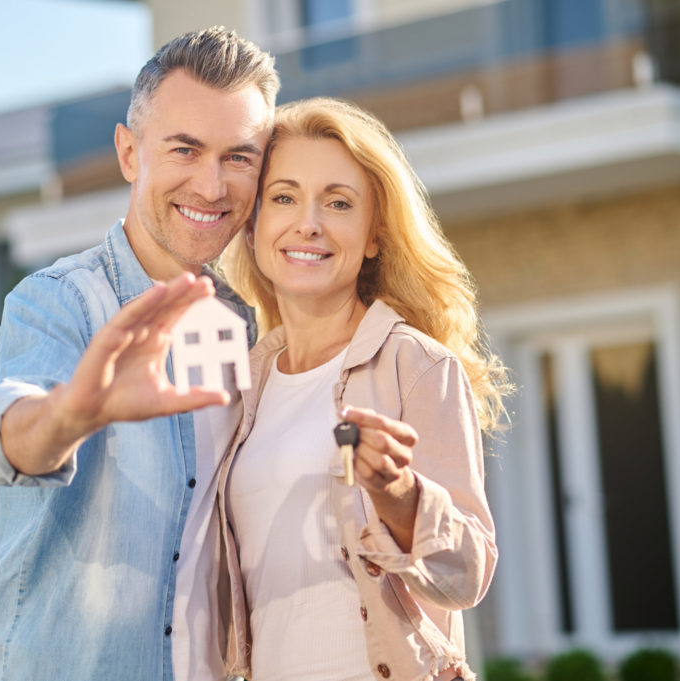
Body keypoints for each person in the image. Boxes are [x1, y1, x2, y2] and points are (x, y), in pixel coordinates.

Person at [0, 27, 279, 681]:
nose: (211, 184)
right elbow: (9, 435)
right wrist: (75, 413)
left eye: (238, 157)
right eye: (185, 149)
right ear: (129, 152)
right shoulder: (58, 302)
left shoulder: (249, 330)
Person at [216, 97, 513, 681]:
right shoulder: (237, 389)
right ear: (253, 229)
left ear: (373, 236)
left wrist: (399, 494)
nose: (309, 222)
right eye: (284, 197)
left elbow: (468, 572)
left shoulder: (417, 365)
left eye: (338, 202)